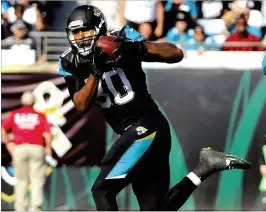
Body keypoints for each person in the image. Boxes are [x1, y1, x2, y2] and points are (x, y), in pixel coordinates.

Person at [58, 5, 251, 210]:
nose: (80, 37)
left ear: (99, 27)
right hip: (134, 133)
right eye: (76, 32)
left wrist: (134, 48)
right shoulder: (70, 61)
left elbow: (175, 53)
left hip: (147, 127)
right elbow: (80, 104)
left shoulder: (121, 37)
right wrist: (96, 71)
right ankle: (204, 168)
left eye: (85, 30)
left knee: (102, 190)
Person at [1, 91, 55, 212]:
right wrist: (48, 149)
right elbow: (47, 134)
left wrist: (8, 143)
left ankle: (20, 208)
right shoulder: (40, 115)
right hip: (37, 149)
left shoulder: (15, 114)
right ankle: (35, 208)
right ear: (34, 101)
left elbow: (3, 128)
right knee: (37, 180)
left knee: (21, 180)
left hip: (19, 149)